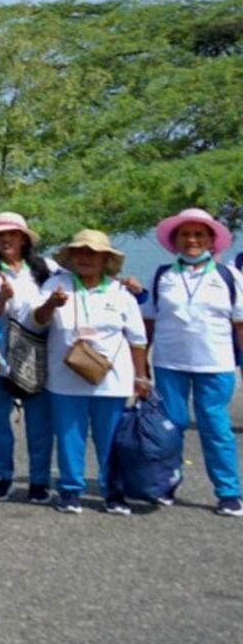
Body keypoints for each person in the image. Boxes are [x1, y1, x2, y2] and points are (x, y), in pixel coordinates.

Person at [36, 230, 149, 515]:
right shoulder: (55, 284)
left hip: (111, 381)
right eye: (79, 253)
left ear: (105, 259)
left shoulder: (121, 292)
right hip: (64, 379)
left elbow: (137, 340)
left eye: (92, 253)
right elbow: (36, 320)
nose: (85, 258)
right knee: (69, 437)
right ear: (71, 258)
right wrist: (51, 304)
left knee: (110, 438)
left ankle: (113, 492)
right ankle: (70, 491)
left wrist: (141, 376)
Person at [143, 208, 243, 517]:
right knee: (170, 426)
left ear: (212, 240)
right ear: (175, 240)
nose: (192, 240)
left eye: (199, 234)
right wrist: (141, 365)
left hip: (215, 363)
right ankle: (167, 484)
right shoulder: (162, 275)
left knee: (216, 427)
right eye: (185, 234)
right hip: (169, 362)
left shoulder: (228, 276)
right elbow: (148, 321)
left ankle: (229, 492)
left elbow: (240, 323)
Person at [0, 212, 58, 503]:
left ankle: (39, 480)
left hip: (38, 355)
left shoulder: (46, 269)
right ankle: (2, 477)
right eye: (0, 235)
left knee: (39, 423)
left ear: (24, 238)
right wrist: (1, 298)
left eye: (12, 234)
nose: (6, 239)